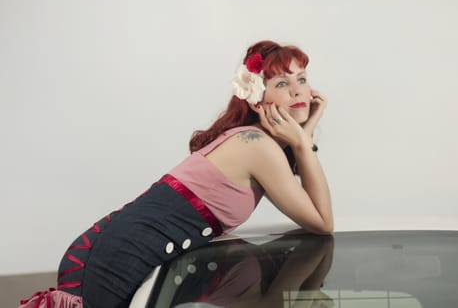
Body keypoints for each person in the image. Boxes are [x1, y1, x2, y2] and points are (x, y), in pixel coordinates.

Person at [18, 40, 333, 308]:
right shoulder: (255, 145)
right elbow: (322, 223)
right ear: (258, 100)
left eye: (302, 79)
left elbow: (318, 222)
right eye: (281, 84)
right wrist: (304, 141)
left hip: (110, 251)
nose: (297, 91)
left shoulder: (255, 142)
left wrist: (304, 138)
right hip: (112, 261)